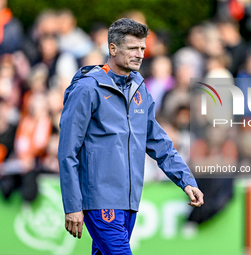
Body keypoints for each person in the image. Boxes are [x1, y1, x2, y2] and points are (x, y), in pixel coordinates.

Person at [58, 18, 204, 255]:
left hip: (129, 201)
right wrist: (73, 204)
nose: (140, 54)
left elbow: (157, 140)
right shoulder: (87, 89)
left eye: (143, 48)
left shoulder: (139, 88)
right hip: (99, 200)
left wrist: (185, 179)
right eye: (133, 48)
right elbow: (67, 152)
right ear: (113, 49)